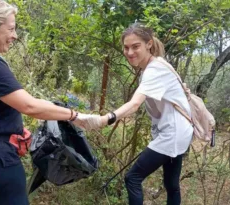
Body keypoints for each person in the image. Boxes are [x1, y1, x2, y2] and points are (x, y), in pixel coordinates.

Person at [0, 0, 99, 205]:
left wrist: (12, 128)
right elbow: (29, 106)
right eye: (11, 28)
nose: (14, 35)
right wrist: (76, 116)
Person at [78, 24, 193, 205]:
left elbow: (134, 104)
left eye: (135, 46)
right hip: (181, 132)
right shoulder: (157, 65)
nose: (130, 52)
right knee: (171, 184)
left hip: (172, 134)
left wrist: (104, 119)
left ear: (148, 44)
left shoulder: (154, 70)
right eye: (126, 47)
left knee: (132, 178)